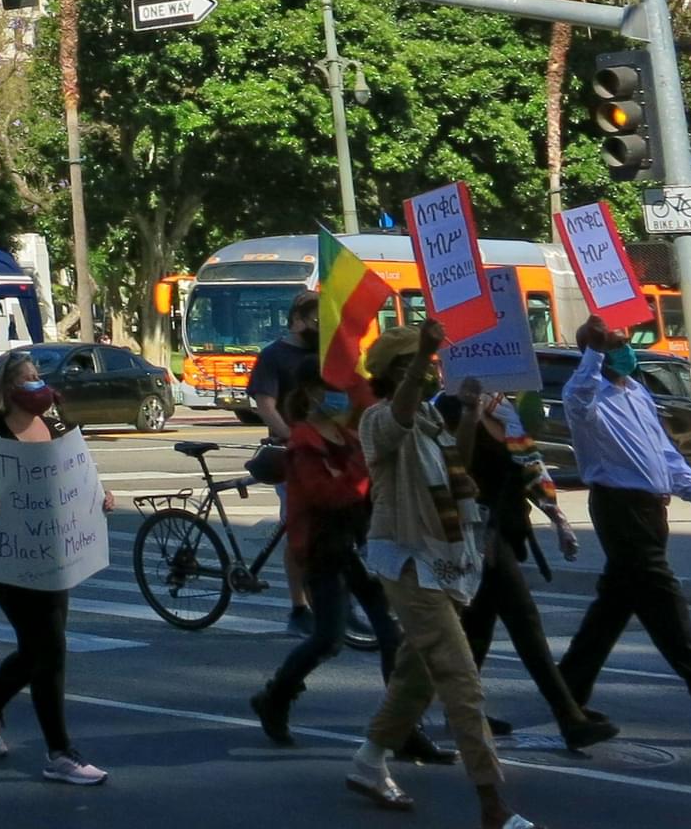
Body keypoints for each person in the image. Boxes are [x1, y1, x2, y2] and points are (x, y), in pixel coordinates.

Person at [346, 323, 512, 822]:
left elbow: (459, 463)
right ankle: (494, 805)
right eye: (415, 368)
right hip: (408, 560)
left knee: (417, 674)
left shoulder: (429, 420)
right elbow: (397, 415)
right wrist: (425, 352)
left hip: (445, 557)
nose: (427, 374)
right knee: (462, 682)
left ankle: (369, 761)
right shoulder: (379, 419)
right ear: (395, 374)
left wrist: (467, 412)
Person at [0, 348, 121, 785]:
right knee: (50, 648)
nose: (37, 384)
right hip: (8, 556)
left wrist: (99, 496)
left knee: (39, 647)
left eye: (36, 376)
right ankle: (59, 752)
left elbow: (80, 473)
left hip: (56, 553)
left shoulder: (58, 426)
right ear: (6, 389)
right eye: (27, 378)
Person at [557, 316, 691, 741]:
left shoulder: (637, 393)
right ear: (599, 351)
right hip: (619, 510)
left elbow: (665, 454)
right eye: (619, 342)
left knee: (612, 609)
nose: (628, 349)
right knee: (665, 605)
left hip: (651, 512)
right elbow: (577, 395)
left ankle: (567, 692)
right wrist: (594, 348)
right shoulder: (587, 396)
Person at [439, 381, 613, 751]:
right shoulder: (451, 407)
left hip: (507, 533)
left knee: (477, 632)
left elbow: (529, 467)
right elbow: (456, 465)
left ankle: (460, 712)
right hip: (480, 536)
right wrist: (471, 412)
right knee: (526, 625)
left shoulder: (505, 412)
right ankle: (569, 717)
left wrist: (557, 517)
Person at [251, 373, 401, 744]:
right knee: (328, 639)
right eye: (335, 393)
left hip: (360, 547)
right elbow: (329, 494)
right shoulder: (304, 444)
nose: (344, 400)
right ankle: (275, 697)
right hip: (324, 550)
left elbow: (366, 488)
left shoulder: (348, 437)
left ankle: (402, 725)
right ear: (314, 395)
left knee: (391, 633)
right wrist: (362, 472)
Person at [250, 290, 324, 631]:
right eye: (314, 319)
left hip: (325, 451)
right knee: (298, 529)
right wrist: (291, 438)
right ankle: (299, 607)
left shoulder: (325, 354)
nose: (319, 326)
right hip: (290, 453)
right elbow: (265, 404)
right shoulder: (274, 356)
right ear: (296, 320)